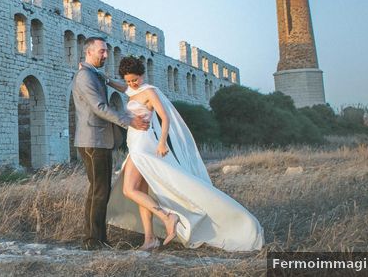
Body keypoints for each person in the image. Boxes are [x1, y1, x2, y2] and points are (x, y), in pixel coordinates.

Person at [106, 56, 264, 251]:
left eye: (135, 79)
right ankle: (150, 239)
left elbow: (164, 118)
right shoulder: (132, 89)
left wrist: (163, 142)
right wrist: (104, 78)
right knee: (142, 191)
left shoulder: (149, 91)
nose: (131, 83)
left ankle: (167, 216)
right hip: (134, 141)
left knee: (129, 190)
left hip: (143, 144)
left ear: (142, 75)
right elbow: (123, 88)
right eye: (128, 80)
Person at [71, 37, 149, 250]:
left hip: (98, 140)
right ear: (88, 52)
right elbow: (99, 107)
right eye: (102, 51)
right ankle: (93, 241)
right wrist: (129, 121)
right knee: (100, 190)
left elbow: (111, 86)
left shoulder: (92, 73)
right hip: (93, 141)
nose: (106, 55)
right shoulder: (85, 76)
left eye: (105, 51)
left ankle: (96, 238)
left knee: (98, 189)